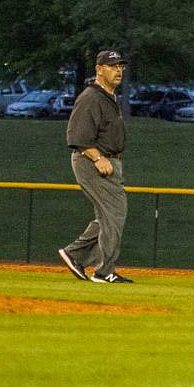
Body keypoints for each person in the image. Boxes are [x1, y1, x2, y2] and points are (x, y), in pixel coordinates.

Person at [57, 50, 133, 283]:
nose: (118, 70)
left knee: (109, 216)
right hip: (94, 161)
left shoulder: (108, 96)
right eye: (112, 66)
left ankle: (75, 254)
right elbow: (78, 136)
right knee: (115, 215)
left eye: (120, 66)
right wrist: (98, 158)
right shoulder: (91, 96)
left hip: (108, 160)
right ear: (99, 69)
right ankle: (104, 272)